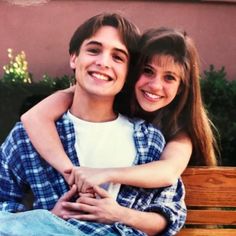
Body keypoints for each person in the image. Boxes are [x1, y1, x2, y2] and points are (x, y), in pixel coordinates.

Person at [0, 13, 186, 236]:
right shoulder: (29, 135)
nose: (103, 62)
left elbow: (170, 213)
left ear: (128, 73)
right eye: (94, 50)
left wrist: (119, 214)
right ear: (74, 58)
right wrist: (46, 220)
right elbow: (4, 205)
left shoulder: (148, 139)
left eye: (118, 57)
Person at [20, 26, 219, 194]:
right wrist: (71, 172)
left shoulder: (181, 127)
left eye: (169, 78)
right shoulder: (109, 99)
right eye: (147, 71)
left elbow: (167, 171)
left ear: (181, 88)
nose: (155, 86)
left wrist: (106, 173)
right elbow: (33, 117)